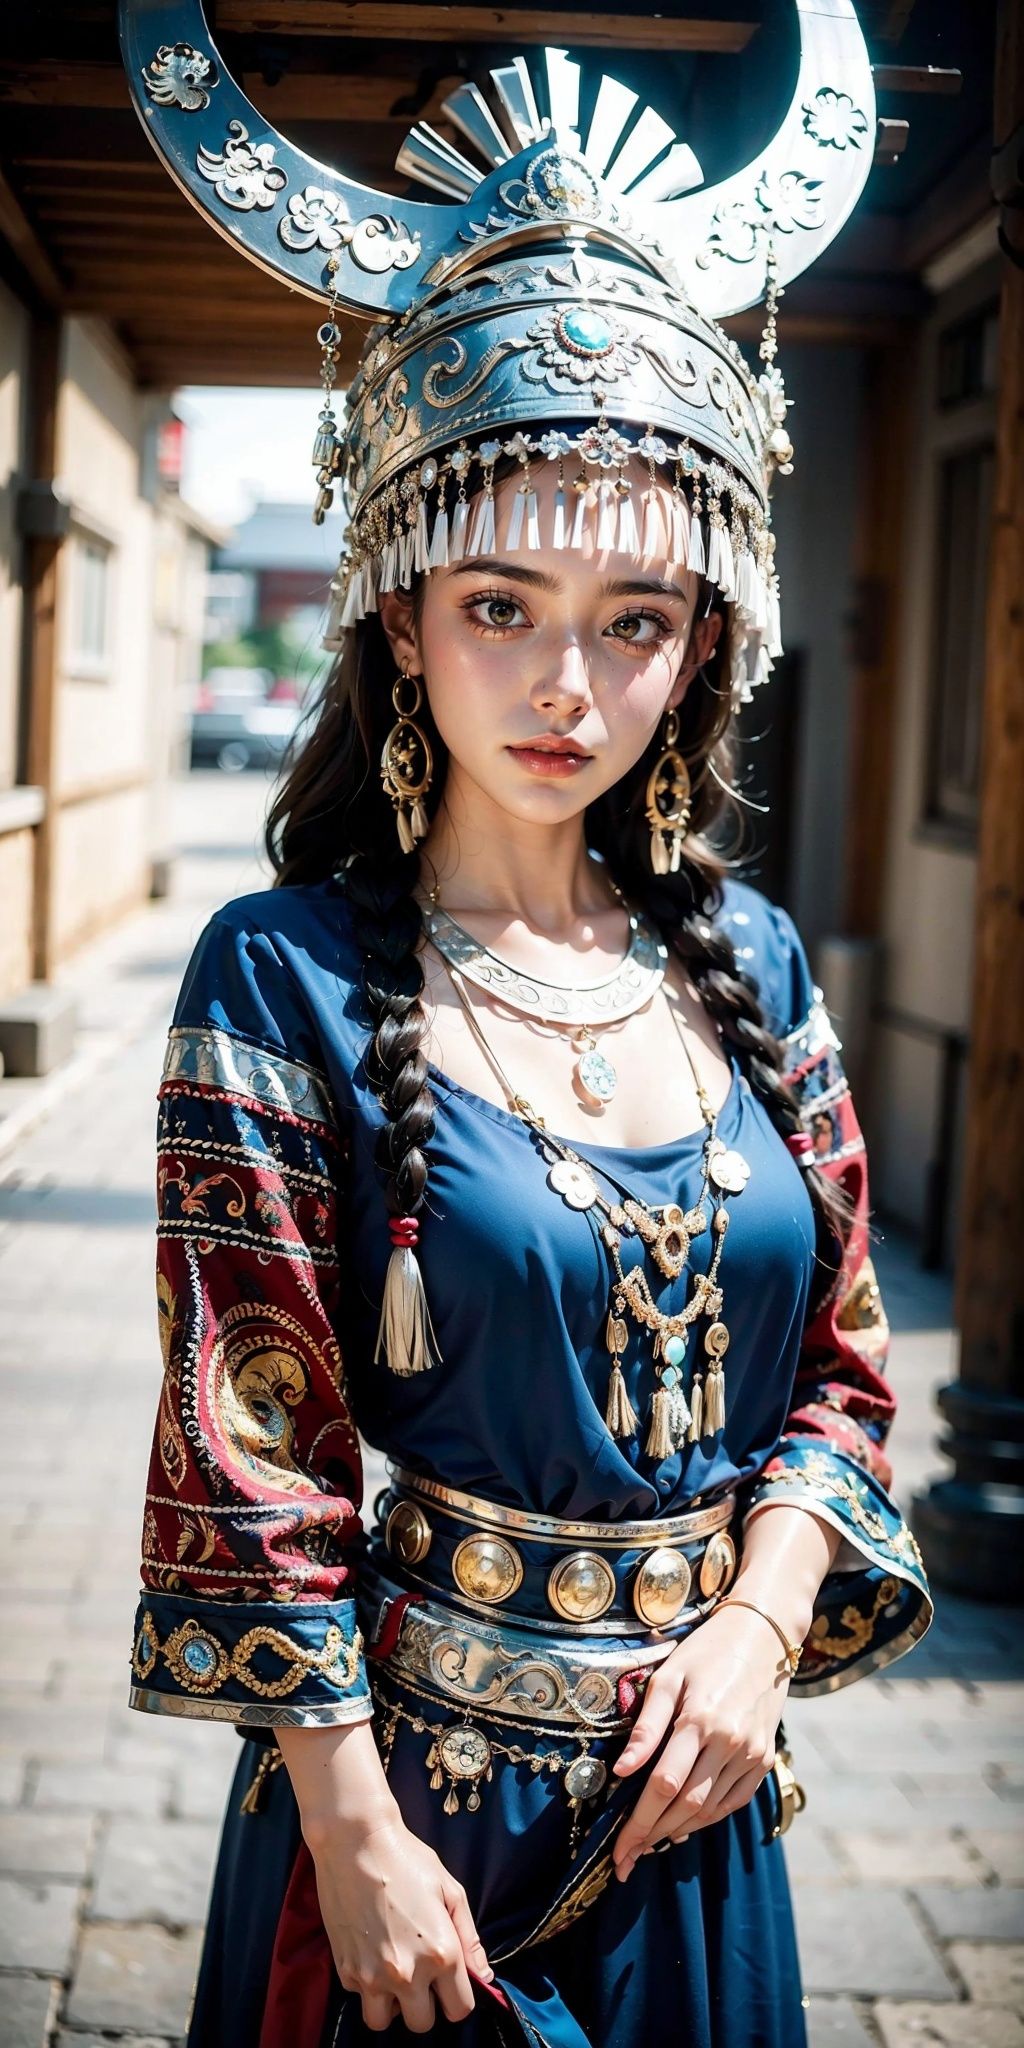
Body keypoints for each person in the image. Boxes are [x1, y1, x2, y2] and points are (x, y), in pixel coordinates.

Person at [124, 17, 932, 2046]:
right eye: (499, 603)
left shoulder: (753, 959)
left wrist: (755, 1630)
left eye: (633, 621)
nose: (564, 682)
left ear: (702, 635)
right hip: (405, 1833)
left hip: (702, 1814)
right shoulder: (282, 972)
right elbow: (249, 1454)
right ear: (399, 608)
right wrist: (348, 1829)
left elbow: (837, 1382)